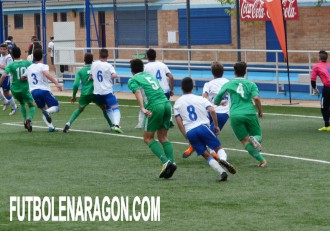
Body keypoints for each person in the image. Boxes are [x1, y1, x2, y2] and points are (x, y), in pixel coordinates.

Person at [174, 77, 235, 181]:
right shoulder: (200, 98)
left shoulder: (177, 103)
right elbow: (212, 110)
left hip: (190, 131)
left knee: (206, 156)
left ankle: (222, 172)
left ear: (181, 88)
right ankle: (223, 160)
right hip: (203, 127)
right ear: (193, 87)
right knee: (217, 147)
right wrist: (215, 126)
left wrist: (186, 136)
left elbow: (179, 122)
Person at [128, 59, 177, 179]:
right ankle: (172, 162)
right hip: (166, 105)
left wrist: (142, 108)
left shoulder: (133, 80)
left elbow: (138, 92)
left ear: (131, 70)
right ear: (143, 68)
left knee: (148, 138)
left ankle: (166, 162)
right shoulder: (149, 76)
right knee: (163, 137)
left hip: (155, 106)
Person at [214, 62, 267, 167]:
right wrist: (260, 110)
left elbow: (216, 100)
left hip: (235, 114)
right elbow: (256, 98)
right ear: (245, 71)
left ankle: (262, 161)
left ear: (234, 72)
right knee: (258, 135)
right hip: (250, 112)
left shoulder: (228, 84)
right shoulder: (251, 84)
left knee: (244, 140)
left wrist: (220, 102)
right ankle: (256, 140)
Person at [183, 62, 230, 161]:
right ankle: (215, 154)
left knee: (203, 131)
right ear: (223, 71)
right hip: (223, 113)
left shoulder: (208, 84)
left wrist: (211, 102)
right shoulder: (229, 83)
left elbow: (204, 97)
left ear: (212, 72)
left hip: (209, 111)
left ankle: (195, 146)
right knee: (210, 134)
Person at [63, 53, 114, 133]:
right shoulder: (96, 68)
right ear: (93, 60)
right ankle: (112, 126)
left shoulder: (80, 71)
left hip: (85, 93)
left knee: (79, 109)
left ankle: (68, 123)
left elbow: (76, 84)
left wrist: (73, 96)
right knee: (104, 108)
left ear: (84, 60)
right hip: (96, 93)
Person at [23, 49, 62, 132]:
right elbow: (47, 74)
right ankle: (47, 112)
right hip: (44, 90)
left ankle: (50, 127)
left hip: (33, 92)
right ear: (42, 57)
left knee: (43, 109)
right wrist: (57, 83)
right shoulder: (43, 66)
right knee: (56, 107)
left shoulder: (29, 68)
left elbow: (23, 77)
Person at [135, 48, 175, 128]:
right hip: (165, 89)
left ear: (147, 56)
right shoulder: (163, 65)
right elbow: (171, 77)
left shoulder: (145, 67)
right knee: (167, 104)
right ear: (155, 56)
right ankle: (169, 120)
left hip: (154, 90)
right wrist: (171, 89)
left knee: (146, 105)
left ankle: (140, 124)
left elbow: (142, 78)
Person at [0, 46, 35, 131]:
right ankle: (29, 119)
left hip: (15, 89)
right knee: (32, 105)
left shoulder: (11, 65)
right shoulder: (27, 63)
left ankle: (24, 120)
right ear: (20, 53)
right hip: (25, 88)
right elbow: (34, 70)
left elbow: (4, 75)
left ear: (12, 55)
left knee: (22, 103)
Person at [90, 48, 123, 133]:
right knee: (115, 108)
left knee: (107, 108)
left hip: (97, 92)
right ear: (108, 56)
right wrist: (109, 77)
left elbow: (90, 77)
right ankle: (116, 124)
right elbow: (114, 75)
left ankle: (113, 125)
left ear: (99, 55)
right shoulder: (109, 66)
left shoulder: (94, 64)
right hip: (107, 91)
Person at [310, 50, 330, 131]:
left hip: (327, 88)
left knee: (324, 107)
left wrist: (315, 89)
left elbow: (313, 80)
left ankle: (327, 126)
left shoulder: (316, 66)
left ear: (319, 58)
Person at [0, 43, 18, 115]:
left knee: (6, 93)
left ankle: (14, 107)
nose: (2, 50)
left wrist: (1, 66)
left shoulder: (9, 58)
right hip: (0, 74)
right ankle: (5, 102)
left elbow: (9, 68)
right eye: (1, 49)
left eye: (4, 49)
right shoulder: (1, 56)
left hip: (6, 76)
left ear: (7, 49)